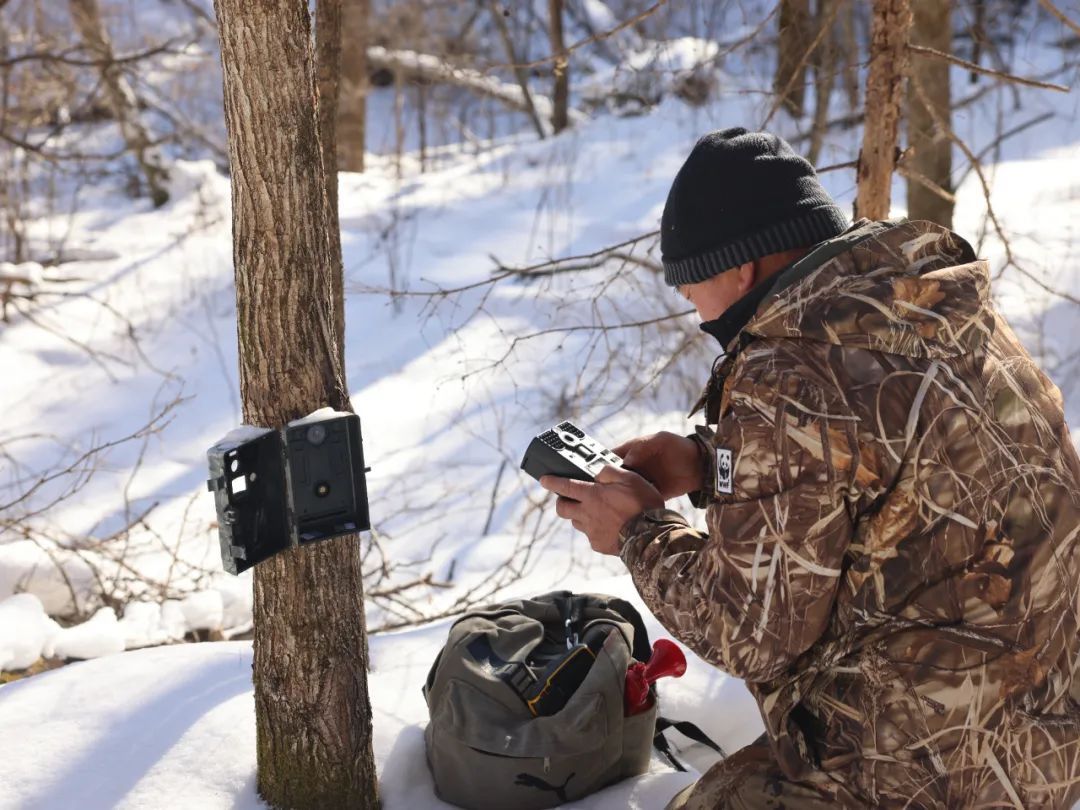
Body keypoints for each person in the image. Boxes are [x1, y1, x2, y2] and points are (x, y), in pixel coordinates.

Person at [539, 128, 1080, 809]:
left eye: (690, 285)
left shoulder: (790, 370)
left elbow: (750, 633)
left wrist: (638, 532)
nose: (692, 307)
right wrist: (707, 461)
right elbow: (891, 465)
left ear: (741, 270)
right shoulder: (928, 309)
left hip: (938, 773)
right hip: (1047, 739)